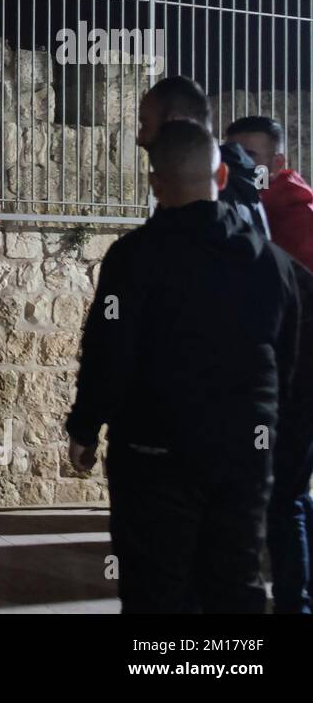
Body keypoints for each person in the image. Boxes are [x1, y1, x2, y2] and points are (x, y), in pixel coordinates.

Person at [67, 120, 307, 613]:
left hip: (153, 450)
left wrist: (86, 427)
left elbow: (108, 348)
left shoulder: (131, 259)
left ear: (155, 184)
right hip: (243, 452)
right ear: (221, 178)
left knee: (154, 587)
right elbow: (292, 354)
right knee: (235, 582)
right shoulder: (270, 263)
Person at [225, 115, 313, 613]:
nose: (243, 166)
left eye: (253, 158)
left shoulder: (293, 218)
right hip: (283, 384)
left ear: (278, 163)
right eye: (234, 156)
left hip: (294, 384)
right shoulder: (259, 208)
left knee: (285, 501)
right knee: (291, 498)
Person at [136, 75, 268, 236]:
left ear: (175, 122)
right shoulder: (239, 187)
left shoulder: (208, 197)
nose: (140, 138)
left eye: (145, 124)